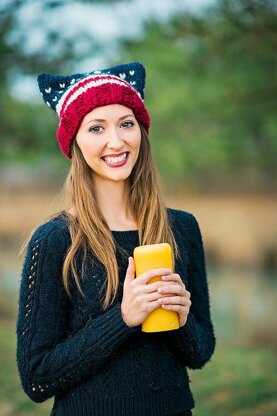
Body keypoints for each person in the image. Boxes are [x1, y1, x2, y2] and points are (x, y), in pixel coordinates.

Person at [16, 62, 215, 416]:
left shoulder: (182, 229)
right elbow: (37, 378)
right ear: (74, 141)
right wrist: (123, 319)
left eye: (126, 123)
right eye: (96, 128)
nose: (116, 141)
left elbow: (201, 353)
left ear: (141, 130)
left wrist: (182, 320)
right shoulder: (55, 241)